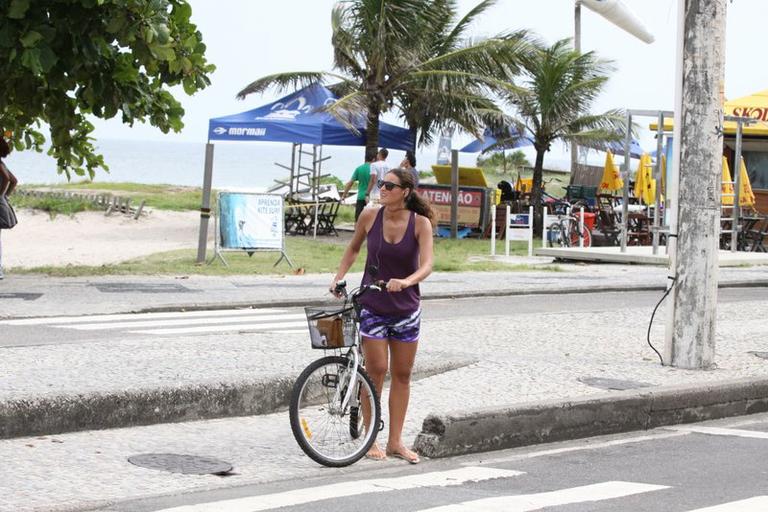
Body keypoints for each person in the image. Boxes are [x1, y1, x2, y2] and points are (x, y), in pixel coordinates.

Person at [330, 168, 434, 464]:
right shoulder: (369, 216)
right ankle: (370, 438)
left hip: (406, 309)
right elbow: (352, 249)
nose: (382, 188)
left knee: (402, 375)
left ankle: (395, 442)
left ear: (406, 192)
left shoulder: (420, 224)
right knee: (375, 370)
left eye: (389, 185)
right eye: (381, 183)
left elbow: (427, 264)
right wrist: (338, 277)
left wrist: (407, 281)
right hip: (373, 304)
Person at [340, 150, 376, 222]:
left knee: (358, 220)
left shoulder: (359, 168)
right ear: (373, 159)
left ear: (365, 158)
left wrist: (344, 195)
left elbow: (350, 183)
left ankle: (357, 233)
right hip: (372, 197)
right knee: (372, 220)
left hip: (360, 197)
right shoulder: (374, 169)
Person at [0, 138, 18, 280]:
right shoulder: (2, 163)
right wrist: (5, 195)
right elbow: (14, 180)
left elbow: (7, 178)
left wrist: (0, 195)